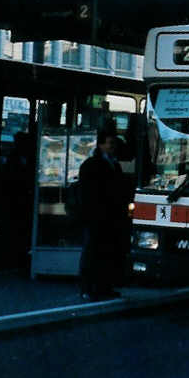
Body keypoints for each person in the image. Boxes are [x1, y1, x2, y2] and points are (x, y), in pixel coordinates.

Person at [78, 129, 133, 301]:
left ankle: (104, 287)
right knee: (93, 252)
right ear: (101, 145)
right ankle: (89, 288)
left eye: (114, 144)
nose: (113, 147)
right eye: (109, 143)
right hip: (97, 216)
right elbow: (89, 194)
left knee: (107, 253)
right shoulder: (92, 165)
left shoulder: (113, 164)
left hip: (110, 217)